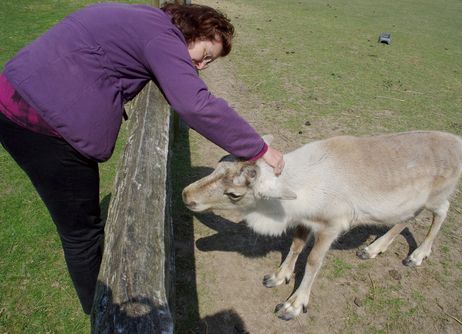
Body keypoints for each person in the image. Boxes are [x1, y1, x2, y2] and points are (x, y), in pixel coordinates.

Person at [0, 2, 285, 314]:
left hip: (20, 99)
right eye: (205, 55)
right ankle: (105, 316)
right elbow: (195, 105)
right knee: (81, 234)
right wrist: (258, 148)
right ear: (196, 30)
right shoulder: (161, 37)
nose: (202, 67)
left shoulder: (145, 20)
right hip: (42, 124)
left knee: (81, 229)